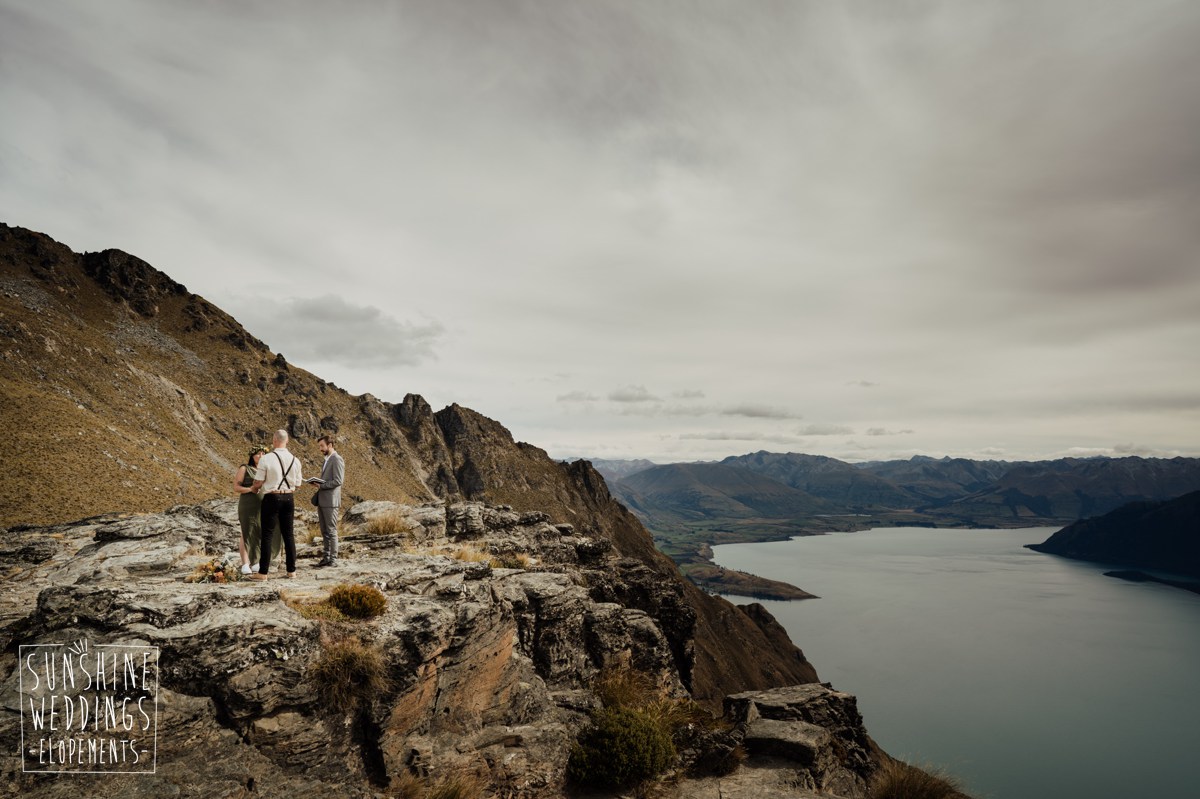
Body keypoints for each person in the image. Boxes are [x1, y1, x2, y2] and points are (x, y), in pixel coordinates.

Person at [248, 429, 303, 580]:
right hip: (289, 498)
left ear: (274, 440)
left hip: (272, 498)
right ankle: (291, 571)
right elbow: (298, 485)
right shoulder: (295, 460)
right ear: (287, 441)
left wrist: (254, 487)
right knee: (289, 534)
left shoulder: (267, 459)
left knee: (267, 535)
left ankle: (263, 573)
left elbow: (258, 482)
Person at [233, 444, 278, 574]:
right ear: (252, 456)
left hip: (264, 504)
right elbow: (236, 487)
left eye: (263, 454)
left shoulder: (267, 470)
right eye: (258, 454)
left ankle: (256, 561)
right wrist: (250, 489)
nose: (261, 456)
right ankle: (245, 563)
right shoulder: (245, 468)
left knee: (260, 531)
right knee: (246, 532)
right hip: (248, 504)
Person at [311, 435, 345, 567]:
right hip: (323, 500)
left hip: (331, 501)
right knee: (324, 531)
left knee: (331, 530)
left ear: (330, 445)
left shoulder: (337, 459)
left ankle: (333, 559)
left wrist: (321, 485)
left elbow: (338, 481)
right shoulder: (326, 460)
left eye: (322, 446)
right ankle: (326, 558)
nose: (320, 449)